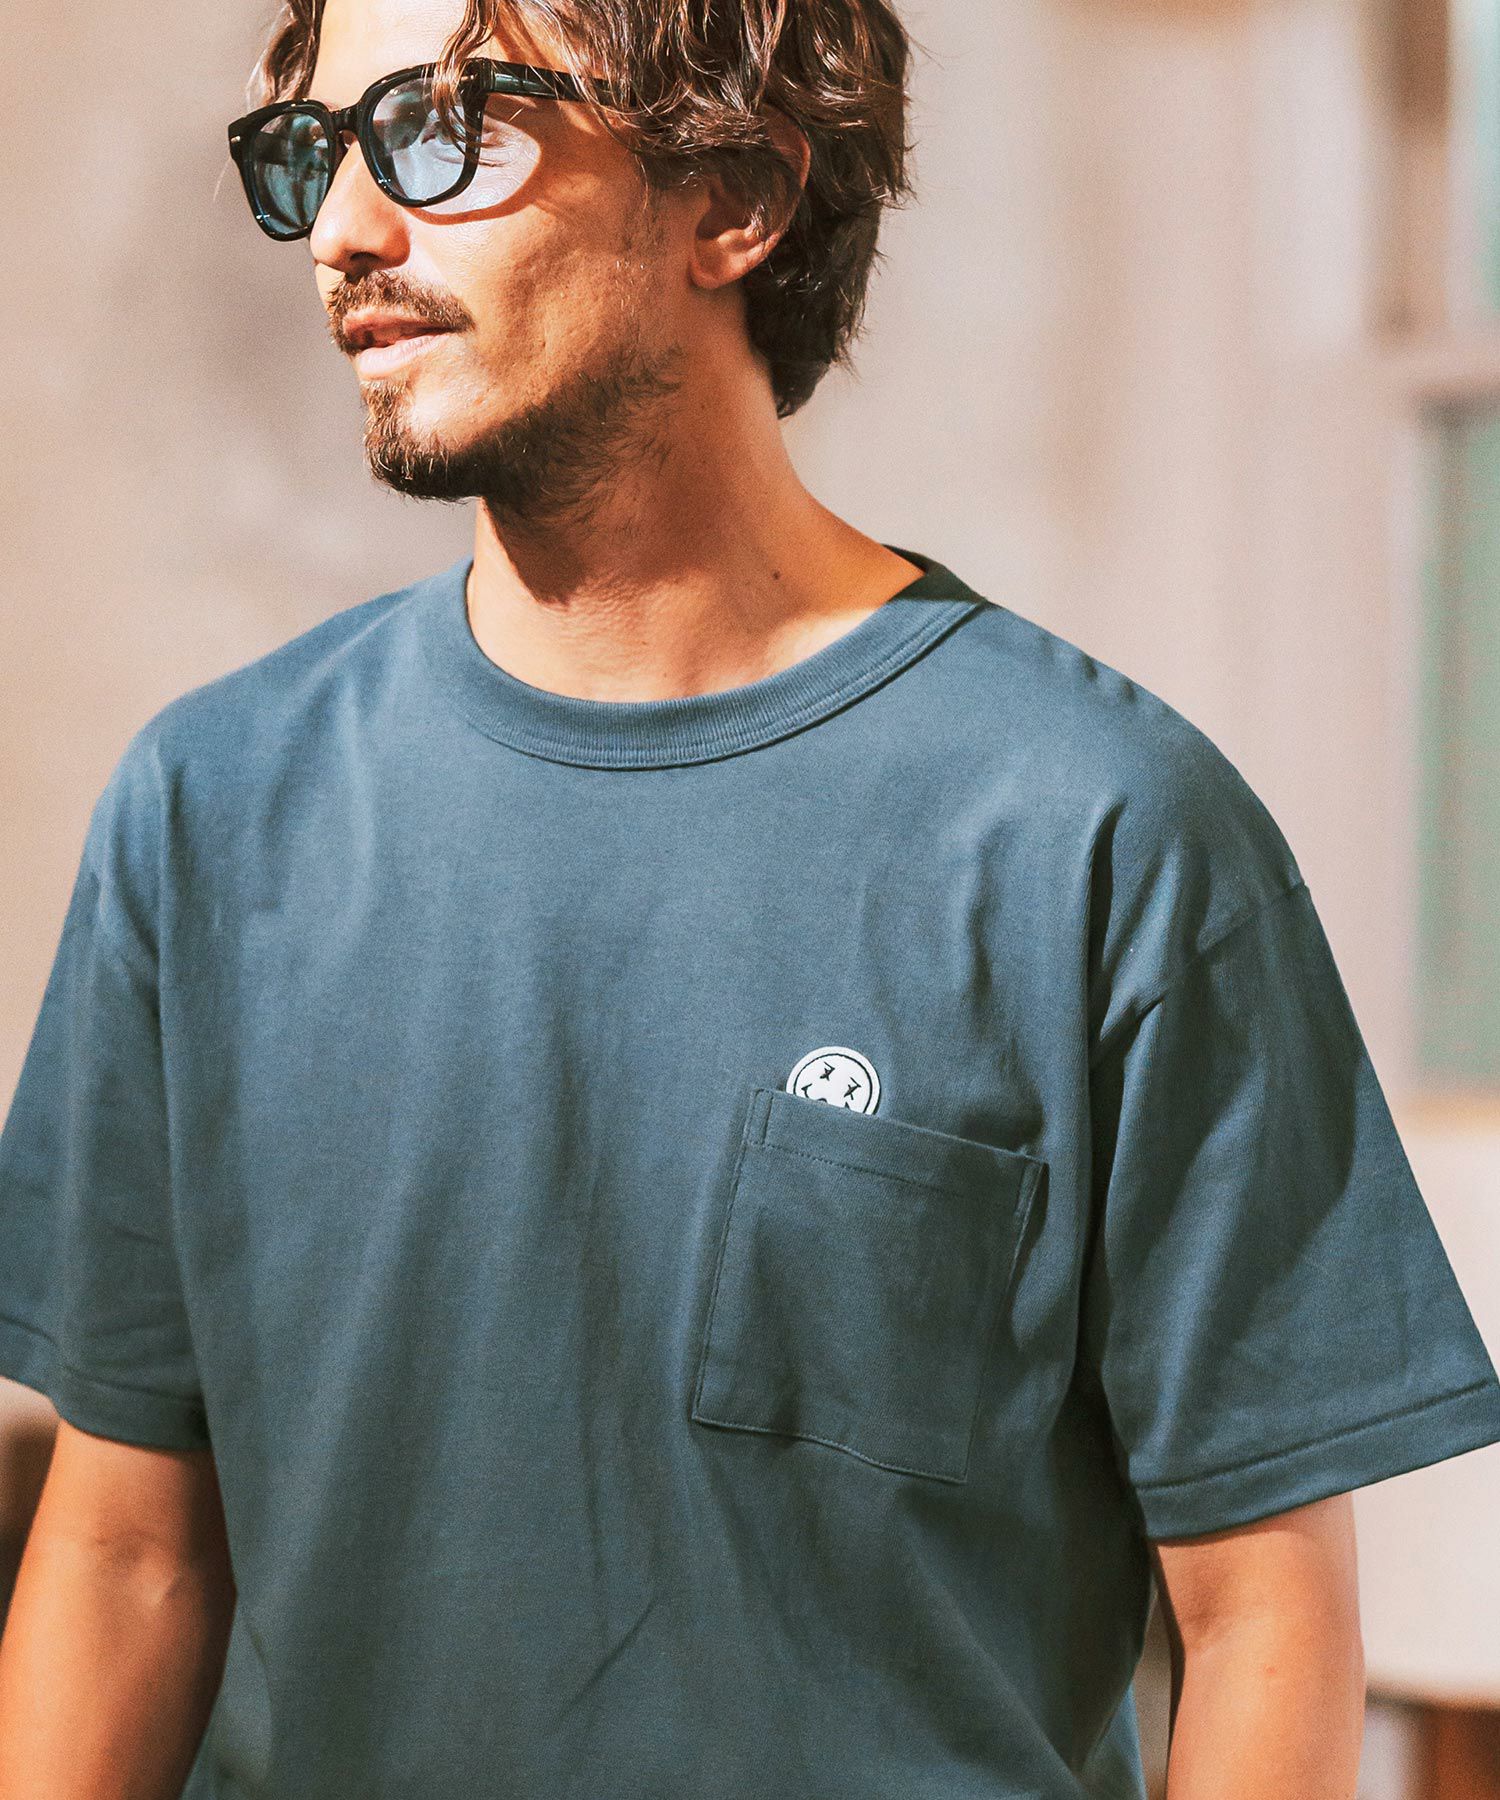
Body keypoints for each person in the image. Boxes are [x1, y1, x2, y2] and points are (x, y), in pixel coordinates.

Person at [0, 0, 1497, 1794]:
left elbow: (1265, 1619)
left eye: (446, 129)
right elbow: (127, 1554)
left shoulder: (1102, 833)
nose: (345, 230)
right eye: (316, 151)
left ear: (735, 195)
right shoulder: (211, 809)